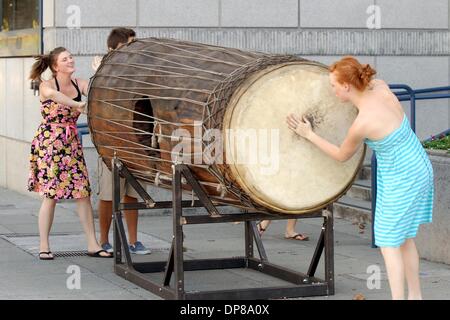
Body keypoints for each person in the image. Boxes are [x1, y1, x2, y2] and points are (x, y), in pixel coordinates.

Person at [287, 56, 433, 300]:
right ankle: (415, 296)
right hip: (417, 165)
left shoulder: (363, 122)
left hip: (404, 175)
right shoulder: (381, 87)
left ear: (346, 86)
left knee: (388, 242)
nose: (332, 91)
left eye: (334, 86)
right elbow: (369, 87)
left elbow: (342, 155)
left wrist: (308, 134)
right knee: (405, 237)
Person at [28, 47, 112, 260]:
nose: (71, 61)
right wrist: (77, 104)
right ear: (56, 66)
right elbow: (56, 96)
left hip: (72, 143)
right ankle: (44, 245)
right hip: (50, 144)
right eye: (65, 59)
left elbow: (96, 91)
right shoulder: (47, 85)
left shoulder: (79, 83)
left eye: (71, 57)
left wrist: (99, 72)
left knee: (83, 193)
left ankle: (93, 244)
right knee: (51, 195)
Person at [92, 28, 151, 255]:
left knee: (133, 193)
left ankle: (134, 241)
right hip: (111, 142)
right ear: (115, 48)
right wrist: (100, 74)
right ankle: (104, 240)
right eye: (129, 43)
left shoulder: (138, 71)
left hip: (135, 142)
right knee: (108, 194)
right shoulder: (103, 72)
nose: (133, 47)